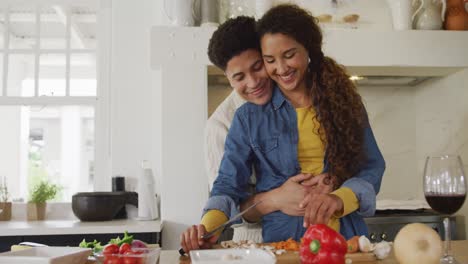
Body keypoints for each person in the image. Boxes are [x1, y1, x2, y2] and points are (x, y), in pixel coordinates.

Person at [180, 16, 332, 254]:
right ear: (228, 78)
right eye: (239, 77)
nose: (253, 82)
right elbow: (228, 197)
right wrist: (276, 198)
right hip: (253, 241)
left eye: (258, 66)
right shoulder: (222, 125)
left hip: (313, 234)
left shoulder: (306, 98)